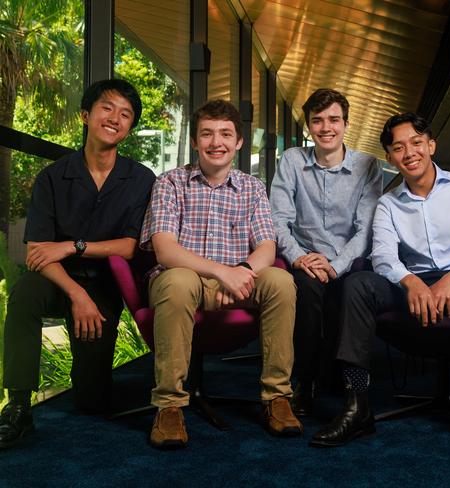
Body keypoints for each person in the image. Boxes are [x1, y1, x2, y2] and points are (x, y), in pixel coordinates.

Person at [311, 112, 450, 453]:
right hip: (409, 284)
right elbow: (383, 256)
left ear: (431, 145)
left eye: (416, 143)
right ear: (389, 157)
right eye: (398, 148)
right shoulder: (387, 204)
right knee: (357, 283)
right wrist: (410, 281)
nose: (409, 153)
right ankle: (357, 406)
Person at [0, 79, 156, 449]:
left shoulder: (141, 179)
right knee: (23, 295)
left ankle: (88, 374)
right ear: (86, 115)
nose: (115, 118)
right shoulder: (53, 177)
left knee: (92, 402)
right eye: (107, 108)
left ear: (130, 127)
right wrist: (75, 295)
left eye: (126, 114)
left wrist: (72, 246)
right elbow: (38, 253)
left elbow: (131, 247)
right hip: (56, 282)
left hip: (104, 286)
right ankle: (18, 406)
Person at [140, 99, 300, 449]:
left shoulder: (253, 187)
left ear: (239, 142)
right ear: (195, 142)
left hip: (237, 279)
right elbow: (166, 251)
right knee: (180, 281)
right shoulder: (170, 183)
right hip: (180, 279)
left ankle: (277, 397)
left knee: (281, 281)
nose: (217, 142)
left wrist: (240, 272)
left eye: (226, 134)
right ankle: (169, 406)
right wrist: (221, 273)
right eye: (207, 134)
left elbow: (267, 249)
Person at [270, 88, 382, 416]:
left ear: (346, 124)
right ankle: (304, 382)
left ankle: (345, 380)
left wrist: (336, 265)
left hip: (350, 260)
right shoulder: (291, 160)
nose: (326, 127)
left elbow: (367, 229)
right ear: (308, 126)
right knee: (305, 290)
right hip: (304, 257)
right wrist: (299, 257)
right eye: (317, 121)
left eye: (334, 119)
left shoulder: (367, 165)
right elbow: (278, 220)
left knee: (351, 291)